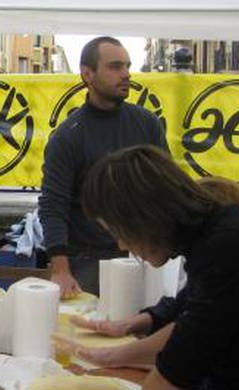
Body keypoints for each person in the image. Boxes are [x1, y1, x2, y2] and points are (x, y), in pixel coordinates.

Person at [76, 145, 239, 390]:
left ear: (145, 217)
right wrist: (113, 356)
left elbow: (171, 380)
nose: (122, 244)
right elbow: (186, 322)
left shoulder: (229, 246)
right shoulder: (213, 236)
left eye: (120, 231)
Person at [59, 175, 239, 370]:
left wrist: (114, 356)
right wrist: (128, 325)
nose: (121, 244)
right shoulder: (210, 252)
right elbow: (182, 306)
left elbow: (190, 337)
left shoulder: (229, 256)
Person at [39, 36, 168, 298]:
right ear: (87, 74)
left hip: (146, 256)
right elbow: (53, 205)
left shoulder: (148, 124)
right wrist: (61, 269)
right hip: (89, 260)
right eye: (115, 66)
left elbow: (166, 189)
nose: (126, 74)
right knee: (92, 333)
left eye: (127, 66)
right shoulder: (68, 136)